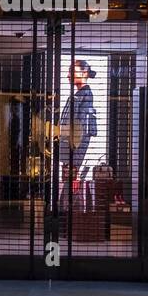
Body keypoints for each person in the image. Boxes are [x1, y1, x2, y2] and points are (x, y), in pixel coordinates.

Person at [58, 59, 98, 208]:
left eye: (72, 72)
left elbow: (81, 126)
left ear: (84, 73)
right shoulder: (77, 95)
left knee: (72, 183)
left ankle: (70, 214)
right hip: (70, 148)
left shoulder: (85, 95)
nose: (68, 75)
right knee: (68, 182)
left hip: (74, 149)